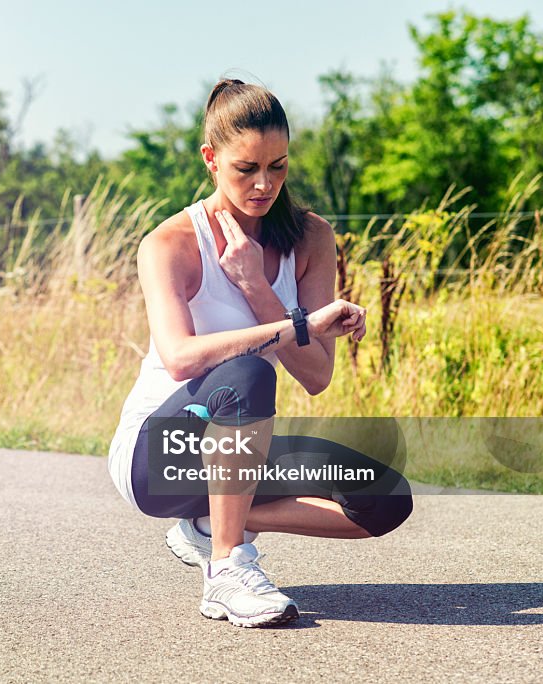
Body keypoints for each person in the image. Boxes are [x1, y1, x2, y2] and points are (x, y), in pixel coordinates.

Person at [106, 78, 413, 628]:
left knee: (385, 499)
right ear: (211, 158)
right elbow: (179, 358)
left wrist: (259, 290)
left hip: (237, 449)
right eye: (246, 169)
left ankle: (206, 526)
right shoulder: (170, 244)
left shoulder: (310, 237)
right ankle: (227, 568)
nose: (264, 184)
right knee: (246, 373)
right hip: (157, 454)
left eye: (278, 166)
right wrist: (294, 325)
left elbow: (317, 374)